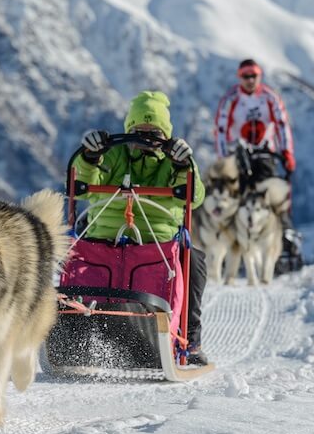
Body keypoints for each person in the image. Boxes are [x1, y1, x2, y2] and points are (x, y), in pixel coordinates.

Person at [76, 91, 209, 365]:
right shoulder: (113, 154)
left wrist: (185, 165)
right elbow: (82, 186)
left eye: (153, 131)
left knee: (193, 261)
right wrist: (90, 157)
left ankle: (189, 339)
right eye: (139, 130)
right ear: (128, 130)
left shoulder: (174, 162)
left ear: (165, 133)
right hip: (104, 239)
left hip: (157, 243)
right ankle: (71, 328)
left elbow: (194, 198)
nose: (145, 137)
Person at [214, 58, 298, 243]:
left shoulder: (270, 98)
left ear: (259, 76)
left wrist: (287, 152)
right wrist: (223, 159)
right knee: (235, 193)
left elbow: (282, 125)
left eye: (254, 76)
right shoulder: (230, 101)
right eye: (246, 76)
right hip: (238, 155)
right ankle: (230, 235)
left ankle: (283, 231)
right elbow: (220, 130)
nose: (250, 80)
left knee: (270, 191)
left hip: (265, 152)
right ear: (239, 77)